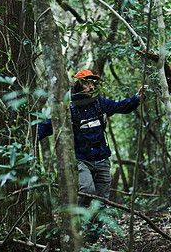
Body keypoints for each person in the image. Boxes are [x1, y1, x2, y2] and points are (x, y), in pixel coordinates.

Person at [38, 69, 147, 242]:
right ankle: (73, 227)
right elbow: (49, 125)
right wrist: (31, 135)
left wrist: (137, 98)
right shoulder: (70, 109)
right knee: (88, 191)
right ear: (78, 85)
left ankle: (90, 240)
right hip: (82, 160)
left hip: (102, 160)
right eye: (87, 83)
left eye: (92, 83)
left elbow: (122, 106)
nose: (91, 86)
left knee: (101, 204)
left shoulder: (100, 104)